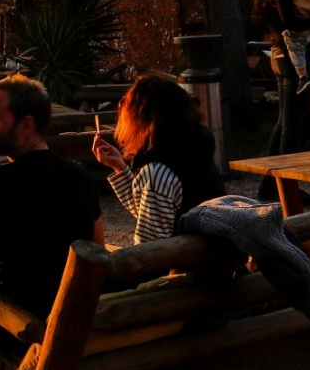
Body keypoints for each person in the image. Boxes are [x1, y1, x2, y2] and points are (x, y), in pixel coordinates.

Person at [0, 74, 102, 370]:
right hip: (72, 311)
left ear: (26, 125)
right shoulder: (81, 176)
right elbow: (98, 249)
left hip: (12, 322)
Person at [90, 75, 225, 246]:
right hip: (217, 263)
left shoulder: (158, 171)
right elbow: (152, 212)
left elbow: (147, 250)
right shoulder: (191, 151)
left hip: (186, 269)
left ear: (144, 118)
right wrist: (119, 167)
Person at [251, 0, 310, 201]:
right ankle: (287, 188)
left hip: (279, 56)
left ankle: (270, 187)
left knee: (284, 121)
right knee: (292, 125)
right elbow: (291, 24)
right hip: (293, 62)